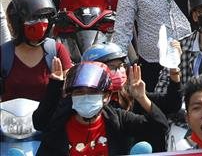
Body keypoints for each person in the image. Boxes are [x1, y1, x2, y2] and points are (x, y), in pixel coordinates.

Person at [32, 59, 167, 156]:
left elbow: (160, 127)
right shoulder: (59, 123)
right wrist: (54, 86)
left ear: (107, 97)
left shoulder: (118, 119)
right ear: (71, 96)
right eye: (79, 92)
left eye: (93, 92)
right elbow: (39, 122)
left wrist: (142, 98)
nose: (85, 97)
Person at [1, 0, 73, 101]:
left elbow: (71, 92)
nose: (39, 22)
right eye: (32, 18)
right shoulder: (4, 54)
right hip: (10, 118)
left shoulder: (57, 50)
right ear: (17, 23)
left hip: (47, 117)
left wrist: (59, 84)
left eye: (43, 17)